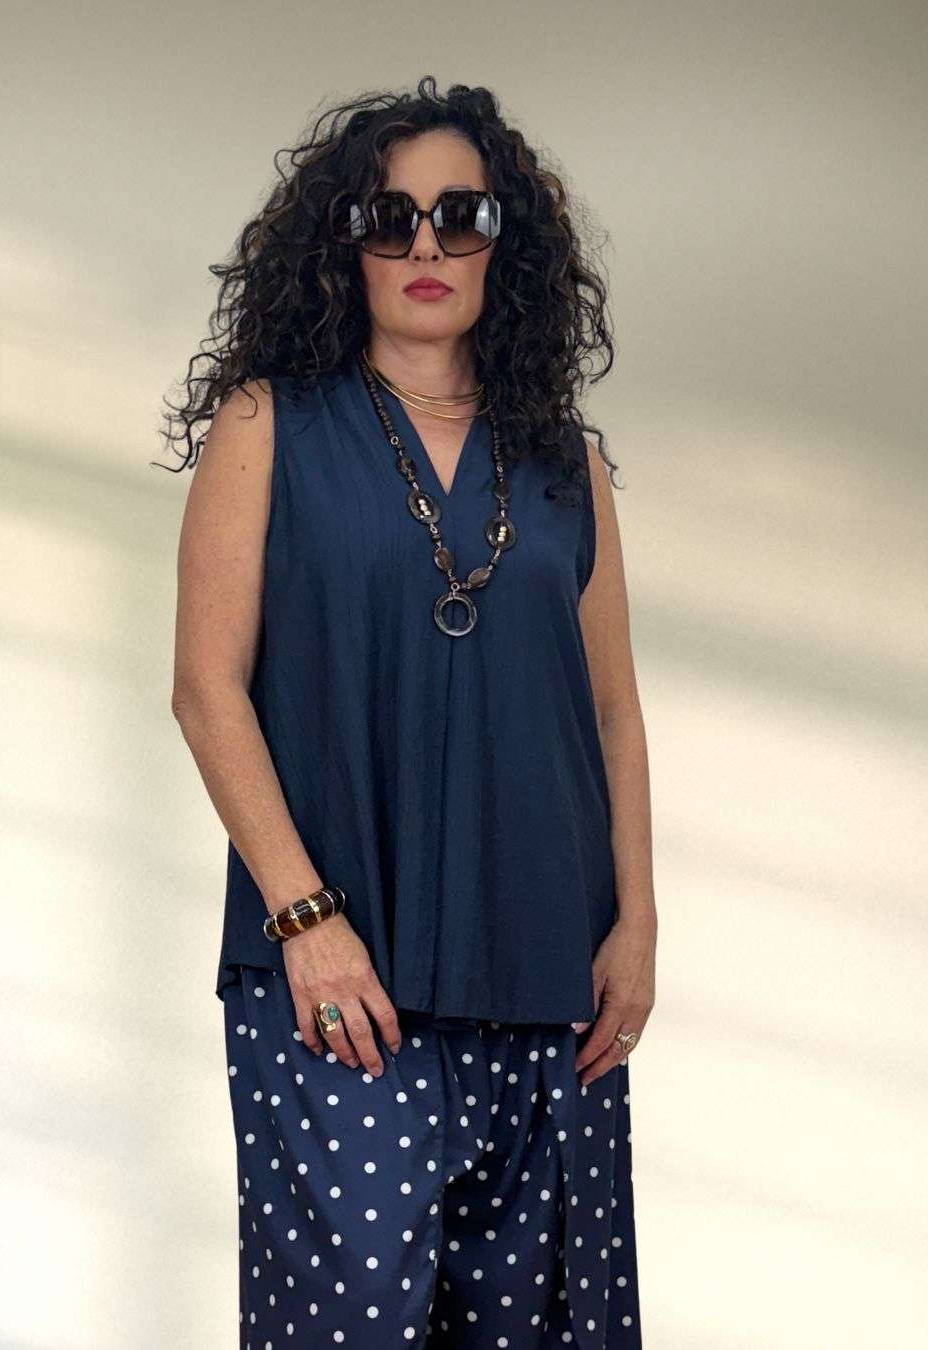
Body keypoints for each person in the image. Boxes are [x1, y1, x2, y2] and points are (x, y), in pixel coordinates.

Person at [165, 75, 656, 1349]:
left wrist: (638, 923)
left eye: (461, 215)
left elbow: (611, 711)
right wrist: (305, 921)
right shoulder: (268, 426)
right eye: (391, 217)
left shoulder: (569, 462)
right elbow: (206, 690)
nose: (427, 245)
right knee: (351, 1320)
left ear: (507, 242)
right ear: (344, 243)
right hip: (339, 972)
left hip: (549, 966)